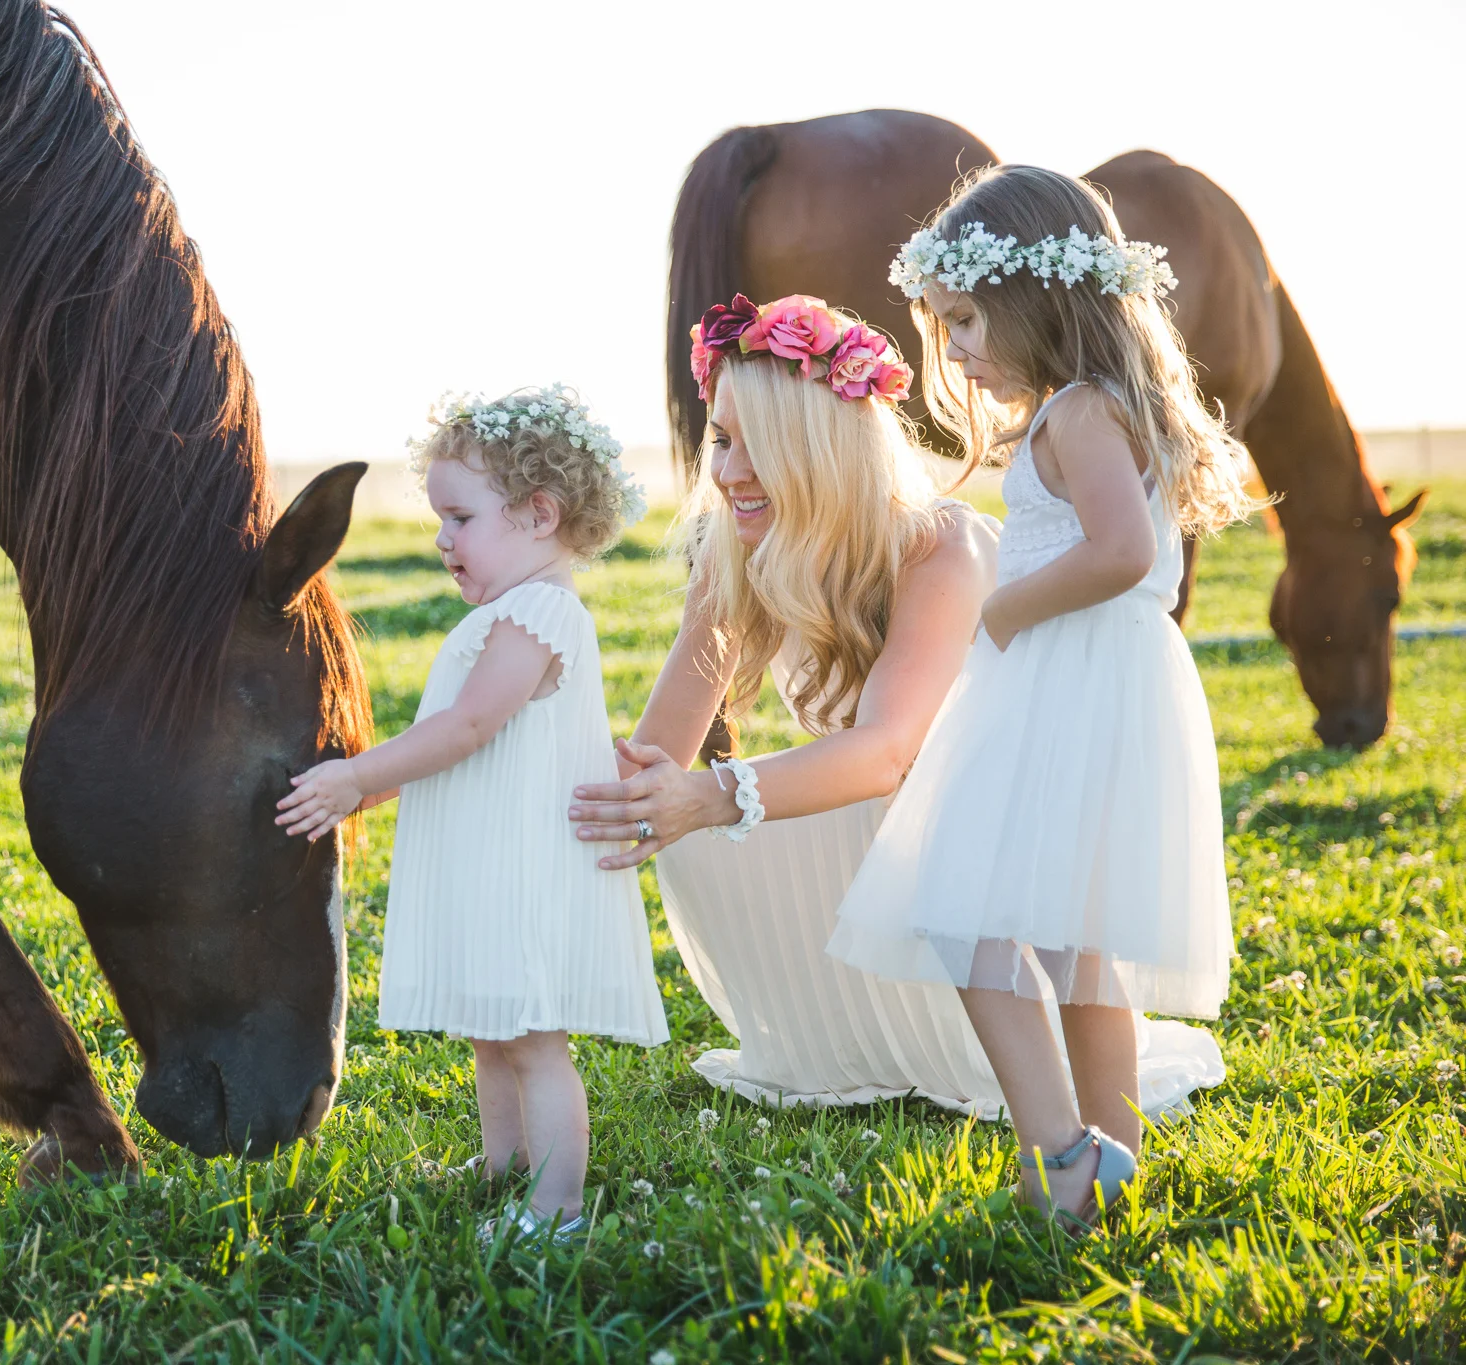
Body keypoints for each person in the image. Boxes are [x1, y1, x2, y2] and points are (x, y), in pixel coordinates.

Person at [564, 290, 1224, 1175]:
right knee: (688, 824)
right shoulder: (737, 547)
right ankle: (852, 1028)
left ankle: (1073, 1143)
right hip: (860, 829)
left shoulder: (937, 546)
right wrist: (615, 792)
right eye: (721, 439)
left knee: (723, 807)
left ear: (825, 449)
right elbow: (663, 749)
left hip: (978, 846)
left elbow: (887, 752)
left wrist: (711, 795)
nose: (730, 471)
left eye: (763, 444)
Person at [826, 166, 1255, 1224]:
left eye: (964, 320)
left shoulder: (1073, 412)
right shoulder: (1101, 406)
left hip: (1062, 675)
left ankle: (1061, 1147)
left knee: (965, 914)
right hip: (1104, 679)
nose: (957, 349)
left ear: (1037, 296)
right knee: (1074, 940)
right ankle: (1101, 1166)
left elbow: (1116, 551)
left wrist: (1001, 612)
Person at [279, 387, 664, 1240]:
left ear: (538, 513)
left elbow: (469, 725)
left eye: (459, 517)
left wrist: (355, 776)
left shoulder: (538, 613)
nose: (442, 539)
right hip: (490, 863)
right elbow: (448, 739)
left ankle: (557, 1204)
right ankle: (504, 1165)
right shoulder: (508, 613)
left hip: (520, 871)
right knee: (493, 1033)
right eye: (438, 519)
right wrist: (369, 784)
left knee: (531, 1040)